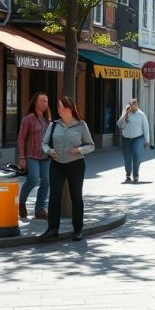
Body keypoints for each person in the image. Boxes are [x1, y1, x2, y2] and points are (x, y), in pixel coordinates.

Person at [40, 96, 96, 241]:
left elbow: (91, 145)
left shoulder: (81, 125)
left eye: (62, 107)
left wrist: (79, 150)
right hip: (57, 164)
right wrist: (48, 151)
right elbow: (44, 143)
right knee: (54, 196)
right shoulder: (53, 125)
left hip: (76, 164)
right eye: (58, 107)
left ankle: (78, 229)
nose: (60, 110)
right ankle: (52, 229)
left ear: (70, 108)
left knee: (76, 196)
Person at [17, 92, 51, 220]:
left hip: (45, 156)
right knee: (33, 179)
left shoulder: (47, 120)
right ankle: (21, 203)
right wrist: (21, 157)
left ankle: (39, 209)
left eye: (46, 101)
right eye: (42, 100)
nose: (45, 103)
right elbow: (21, 138)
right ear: (35, 103)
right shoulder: (28, 119)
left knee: (46, 181)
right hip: (31, 155)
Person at [117, 97, 150, 183]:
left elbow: (145, 128)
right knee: (127, 157)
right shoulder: (126, 113)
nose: (132, 107)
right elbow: (119, 124)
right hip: (126, 139)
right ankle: (128, 174)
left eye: (134, 105)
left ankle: (135, 175)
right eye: (131, 105)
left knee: (136, 155)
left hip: (138, 138)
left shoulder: (141, 114)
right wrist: (126, 114)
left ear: (137, 105)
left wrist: (147, 140)